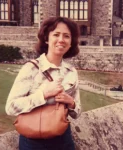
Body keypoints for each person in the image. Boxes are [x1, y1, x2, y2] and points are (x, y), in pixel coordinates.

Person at [5, 16, 81, 150]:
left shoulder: (71, 72)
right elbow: (11, 107)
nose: (61, 40)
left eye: (66, 36)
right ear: (46, 39)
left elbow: (77, 113)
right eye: (56, 35)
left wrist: (71, 102)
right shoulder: (31, 68)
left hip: (63, 139)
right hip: (33, 140)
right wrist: (43, 94)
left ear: (71, 43)